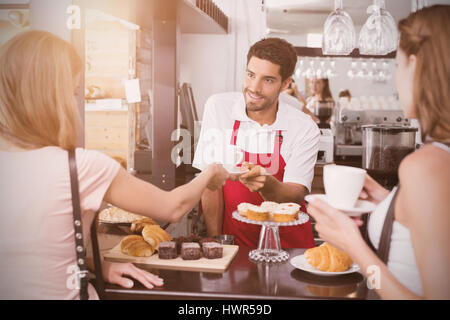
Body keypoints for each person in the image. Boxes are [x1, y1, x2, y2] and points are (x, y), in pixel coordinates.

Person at [0, 30, 230, 299]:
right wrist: (211, 172)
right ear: (52, 97)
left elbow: (31, 252)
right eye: (73, 92)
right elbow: (172, 207)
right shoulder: (82, 168)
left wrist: (97, 265)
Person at [307, 5, 450, 299]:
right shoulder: (438, 161)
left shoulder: (427, 166)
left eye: (398, 67)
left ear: (415, 65)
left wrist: (354, 247)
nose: (398, 80)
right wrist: (388, 203)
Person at [193, 38, 320, 249]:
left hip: (289, 248)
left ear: (285, 84)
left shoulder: (303, 127)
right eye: (250, 74)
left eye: (268, 80)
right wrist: (217, 244)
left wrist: (267, 184)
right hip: (235, 245)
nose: (254, 88)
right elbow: (211, 185)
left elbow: (296, 194)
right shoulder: (219, 108)